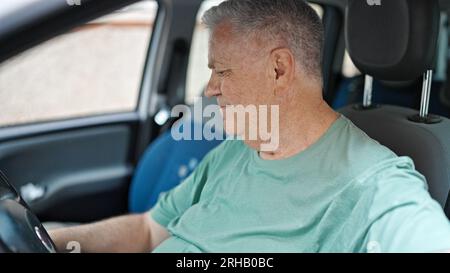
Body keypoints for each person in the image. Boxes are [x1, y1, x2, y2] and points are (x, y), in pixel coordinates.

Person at [49, 0, 450, 253]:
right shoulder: (237, 151)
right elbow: (147, 231)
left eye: (222, 70)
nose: (211, 88)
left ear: (278, 70)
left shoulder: (376, 190)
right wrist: (55, 241)